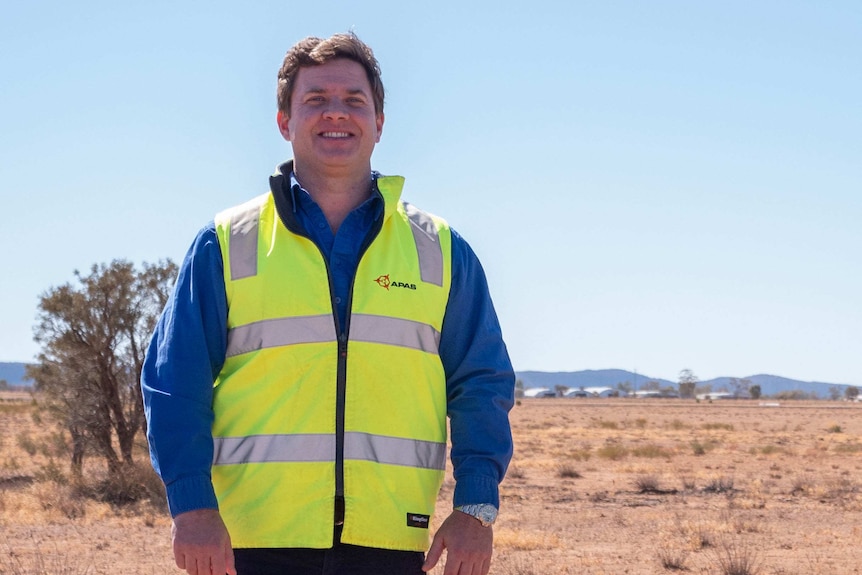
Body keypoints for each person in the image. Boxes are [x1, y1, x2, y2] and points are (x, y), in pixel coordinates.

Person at [142, 32, 514, 575]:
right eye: (314, 100)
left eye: (353, 100)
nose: (335, 113)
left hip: (390, 540)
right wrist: (193, 505)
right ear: (284, 122)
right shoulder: (225, 243)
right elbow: (175, 382)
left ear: (379, 122)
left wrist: (475, 509)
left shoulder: (441, 249)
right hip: (251, 543)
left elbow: (481, 383)